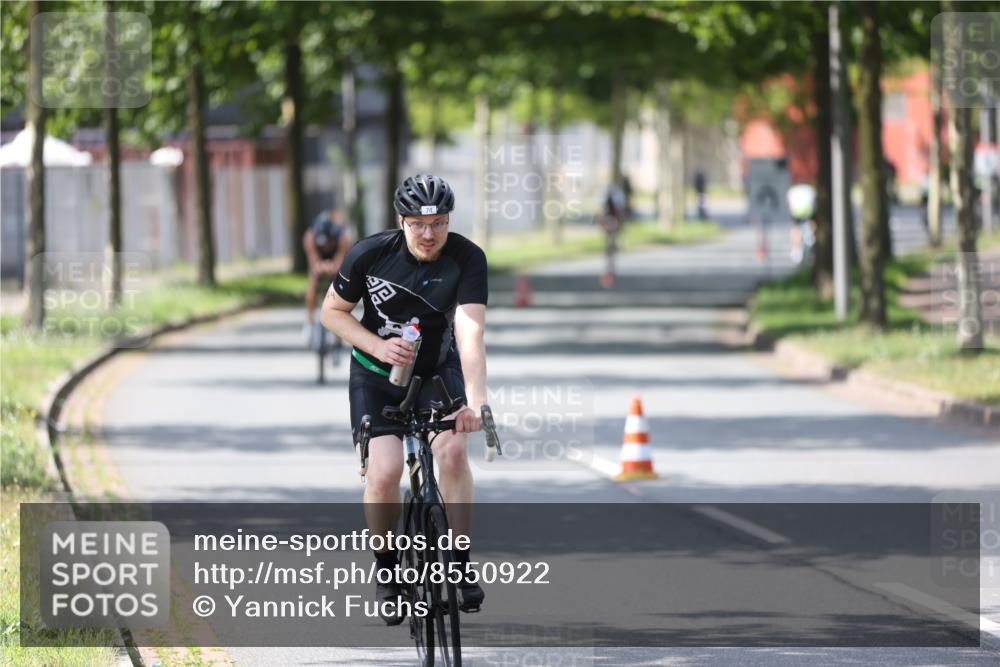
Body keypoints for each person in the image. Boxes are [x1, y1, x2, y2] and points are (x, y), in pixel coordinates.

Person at [320, 174, 488, 625]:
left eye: (439, 223)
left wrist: (476, 402)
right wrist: (376, 346)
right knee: (385, 472)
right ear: (402, 221)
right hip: (377, 375)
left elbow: (469, 329)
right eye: (418, 224)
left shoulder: (467, 258)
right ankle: (389, 572)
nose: (429, 234)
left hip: (437, 370)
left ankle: (459, 559)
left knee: (452, 454)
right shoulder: (369, 255)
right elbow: (331, 313)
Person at [303, 207, 350, 348]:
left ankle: (339, 331)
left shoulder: (341, 238)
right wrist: (320, 267)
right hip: (320, 260)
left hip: (335, 259)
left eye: (328, 242)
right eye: (322, 243)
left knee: (341, 286)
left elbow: (341, 260)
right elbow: (313, 261)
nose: (326, 246)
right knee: (313, 279)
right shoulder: (310, 237)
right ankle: (310, 322)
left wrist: (334, 267)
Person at [596, 182, 626, 288]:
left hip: (610, 222)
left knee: (610, 241)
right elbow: (618, 211)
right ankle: (611, 254)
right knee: (611, 241)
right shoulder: (615, 196)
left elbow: (600, 212)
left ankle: (611, 253)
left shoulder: (608, 196)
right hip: (611, 222)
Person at [786, 182, 816, 265]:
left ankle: (796, 248)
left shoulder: (792, 190)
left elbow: (789, 204)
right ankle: (811, 239)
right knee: (811, 223)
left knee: (795, 228)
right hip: (808, 212)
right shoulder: (810, 189)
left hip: (796, 212)